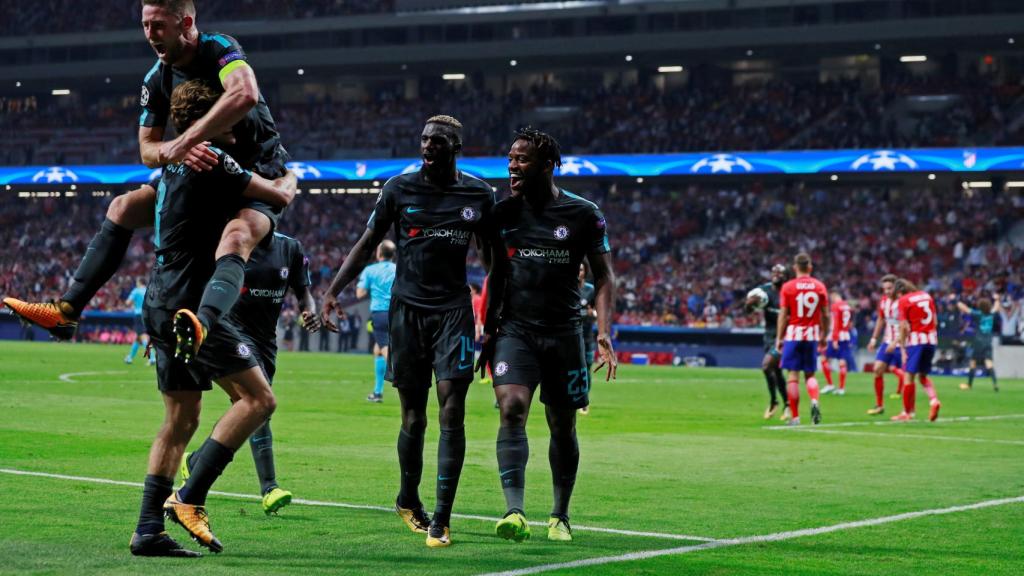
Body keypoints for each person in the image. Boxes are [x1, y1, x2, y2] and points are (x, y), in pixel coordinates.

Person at [3, 0, 289, 351]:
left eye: (158, 25)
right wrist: (175, 150)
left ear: (185, 22)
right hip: (200, 173)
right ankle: (67, 310)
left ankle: (204, 323)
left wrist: (186, 140)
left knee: (237, 235)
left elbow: (245, 94)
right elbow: (147, 149)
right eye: (145, 25)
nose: (150, 34)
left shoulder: (220, 49)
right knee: (123, 206)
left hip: (256, 175)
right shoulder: (156, 79)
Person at [129, 79, 296, 558]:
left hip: (160, 297)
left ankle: (147, 530)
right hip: (192, 301)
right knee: (259, 399)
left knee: (180, 417)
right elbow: (278, 197)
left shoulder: (177, 162)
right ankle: (189, 497)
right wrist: (291, 178)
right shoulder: (213, 159)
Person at [320, 115, 495, 548]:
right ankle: (407, 498)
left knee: (452, 410)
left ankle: (443, 517)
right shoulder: (399, 189)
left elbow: (493, 262)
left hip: (453, 311)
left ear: (455, 146)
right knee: (413, 417)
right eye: (423, 140)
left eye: (437, 141)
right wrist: (333, 291)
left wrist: (495, 319)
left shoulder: (479, 194)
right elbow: (366, 242)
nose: (427, 147)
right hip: (406, 312)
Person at [478, 127, 617, 543]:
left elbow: (605, 277)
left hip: (565, 334)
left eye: (521, 159)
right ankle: (514, 510)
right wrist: (486, 332)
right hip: (515, 330)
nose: (512, 166)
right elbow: (495, 274)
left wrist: (604, 333)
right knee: (512, 408)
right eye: (510, 158)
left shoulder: (584, 214)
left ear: (548, 165)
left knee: (562, 425)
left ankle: (559, 514)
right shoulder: (501, 215)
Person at [180, 231, 321, 515]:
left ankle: (195, 462)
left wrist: (309, 311)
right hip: (232, 333)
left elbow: (303, 293)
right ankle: (269, 488)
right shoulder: (233, 241)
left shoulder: (291, 247)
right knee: (259, 404)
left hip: (266, 340)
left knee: (252, 407)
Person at [775, 253, 829, 426]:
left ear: (795, 267)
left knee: (792, 375)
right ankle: (814, 402)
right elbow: (826, 315)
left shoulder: (788, 287)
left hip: (794, 334)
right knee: (810, 374)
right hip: (812, 334)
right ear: (810, 267)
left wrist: (779, 337)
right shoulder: (819, 286)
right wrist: (824, 335)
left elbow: (783, 315)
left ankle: (796, 417)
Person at [892, 279, 942, 422]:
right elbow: (935, 321)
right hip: (931, 340)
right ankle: (934, 400)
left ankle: (907, 413)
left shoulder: (904, 300)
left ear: (900, 292)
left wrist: (902, 348)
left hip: (916, 341)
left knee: (908, 377)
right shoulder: (927, 296)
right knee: (923, 376)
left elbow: (903, 327)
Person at [744, 264, 788, 419]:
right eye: (774, 272)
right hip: (769, 335)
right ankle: (785, 404)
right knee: (776, 371)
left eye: (780, 273)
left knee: (766, 366)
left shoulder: (789, 291)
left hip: (784, 336)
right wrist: (749, 305)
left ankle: (775, 401)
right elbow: (748, 310)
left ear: (786, 276)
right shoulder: (764, 291)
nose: (776, 275)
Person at [358, 240, 397, 402]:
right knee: (377, 349)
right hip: (397, 312)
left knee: (384, 348)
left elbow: (360, 294)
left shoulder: (370, 270)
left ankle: (399, 375)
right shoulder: (399, 269)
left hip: (380, 312)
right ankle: (377, 392)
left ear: (379, 253)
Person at [865, 275, 906, 416]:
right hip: (887, 342)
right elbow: (881, 319)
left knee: (908, 377)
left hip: (903, 343)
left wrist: (897, 342)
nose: (887, 291)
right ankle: (879, 405)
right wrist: (873, 339)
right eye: (884, 289)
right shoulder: (883, 301)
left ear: (896, 286)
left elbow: (906, 325)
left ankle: (907, 410)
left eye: (890, 288)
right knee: (877, 369)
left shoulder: (903, 302)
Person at [957, 295, 1001, 392]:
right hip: (988, 341)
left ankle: (969, 384)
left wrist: (957, 301)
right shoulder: (992, 314)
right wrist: (997, 299)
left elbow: (966, 309)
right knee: (989, 363)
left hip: (978, 341)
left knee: (973, 363)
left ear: (980, 306)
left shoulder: (978, 314)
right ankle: (995, 384)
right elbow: (997, 307)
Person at [821, 291, 856, 395]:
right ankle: (841, 388)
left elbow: (836, 323)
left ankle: (830, 384)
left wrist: (835, 339)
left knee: (824, 359)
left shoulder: (836, 306)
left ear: (834, 295)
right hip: (845, 336)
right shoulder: (847, 306)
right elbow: (850, 323)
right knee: (842, 362)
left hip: (835, 336)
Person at [577, 263, 597, 415]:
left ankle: (584, 400)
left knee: (586, 369)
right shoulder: (566, 288)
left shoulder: (590, 290)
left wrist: (592, 313)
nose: (579, 272)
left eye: (581, 269)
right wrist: (585, 312)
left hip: (587, 336)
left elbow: (596, 312)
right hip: (570, 335)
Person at [125, 278, 155, 366]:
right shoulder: (148, 290)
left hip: (139, 315)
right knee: (139, 337)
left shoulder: (136, 291)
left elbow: (128, 302)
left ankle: (152, 357)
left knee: (143, 337)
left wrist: (134, 304)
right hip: (148, 315)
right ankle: (130, 357)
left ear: (139, 282)